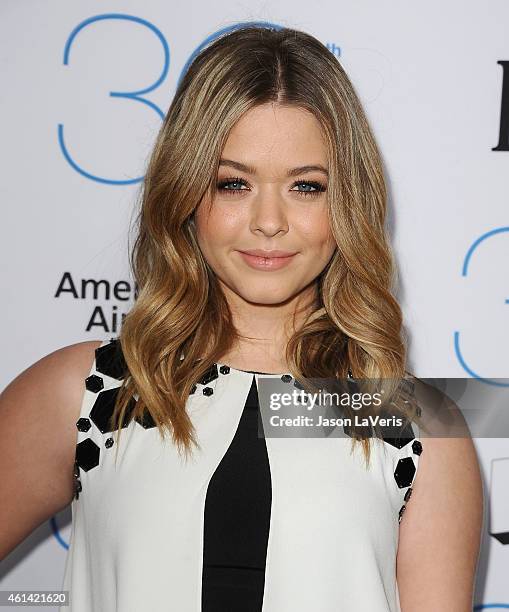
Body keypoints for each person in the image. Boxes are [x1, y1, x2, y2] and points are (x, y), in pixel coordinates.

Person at [0, 23, 483, 611]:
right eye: (234, 183)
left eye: (306, 186)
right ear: (185, 193)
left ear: (349, 203)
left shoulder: (417, 425)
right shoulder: (90, 393)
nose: (269, 220)